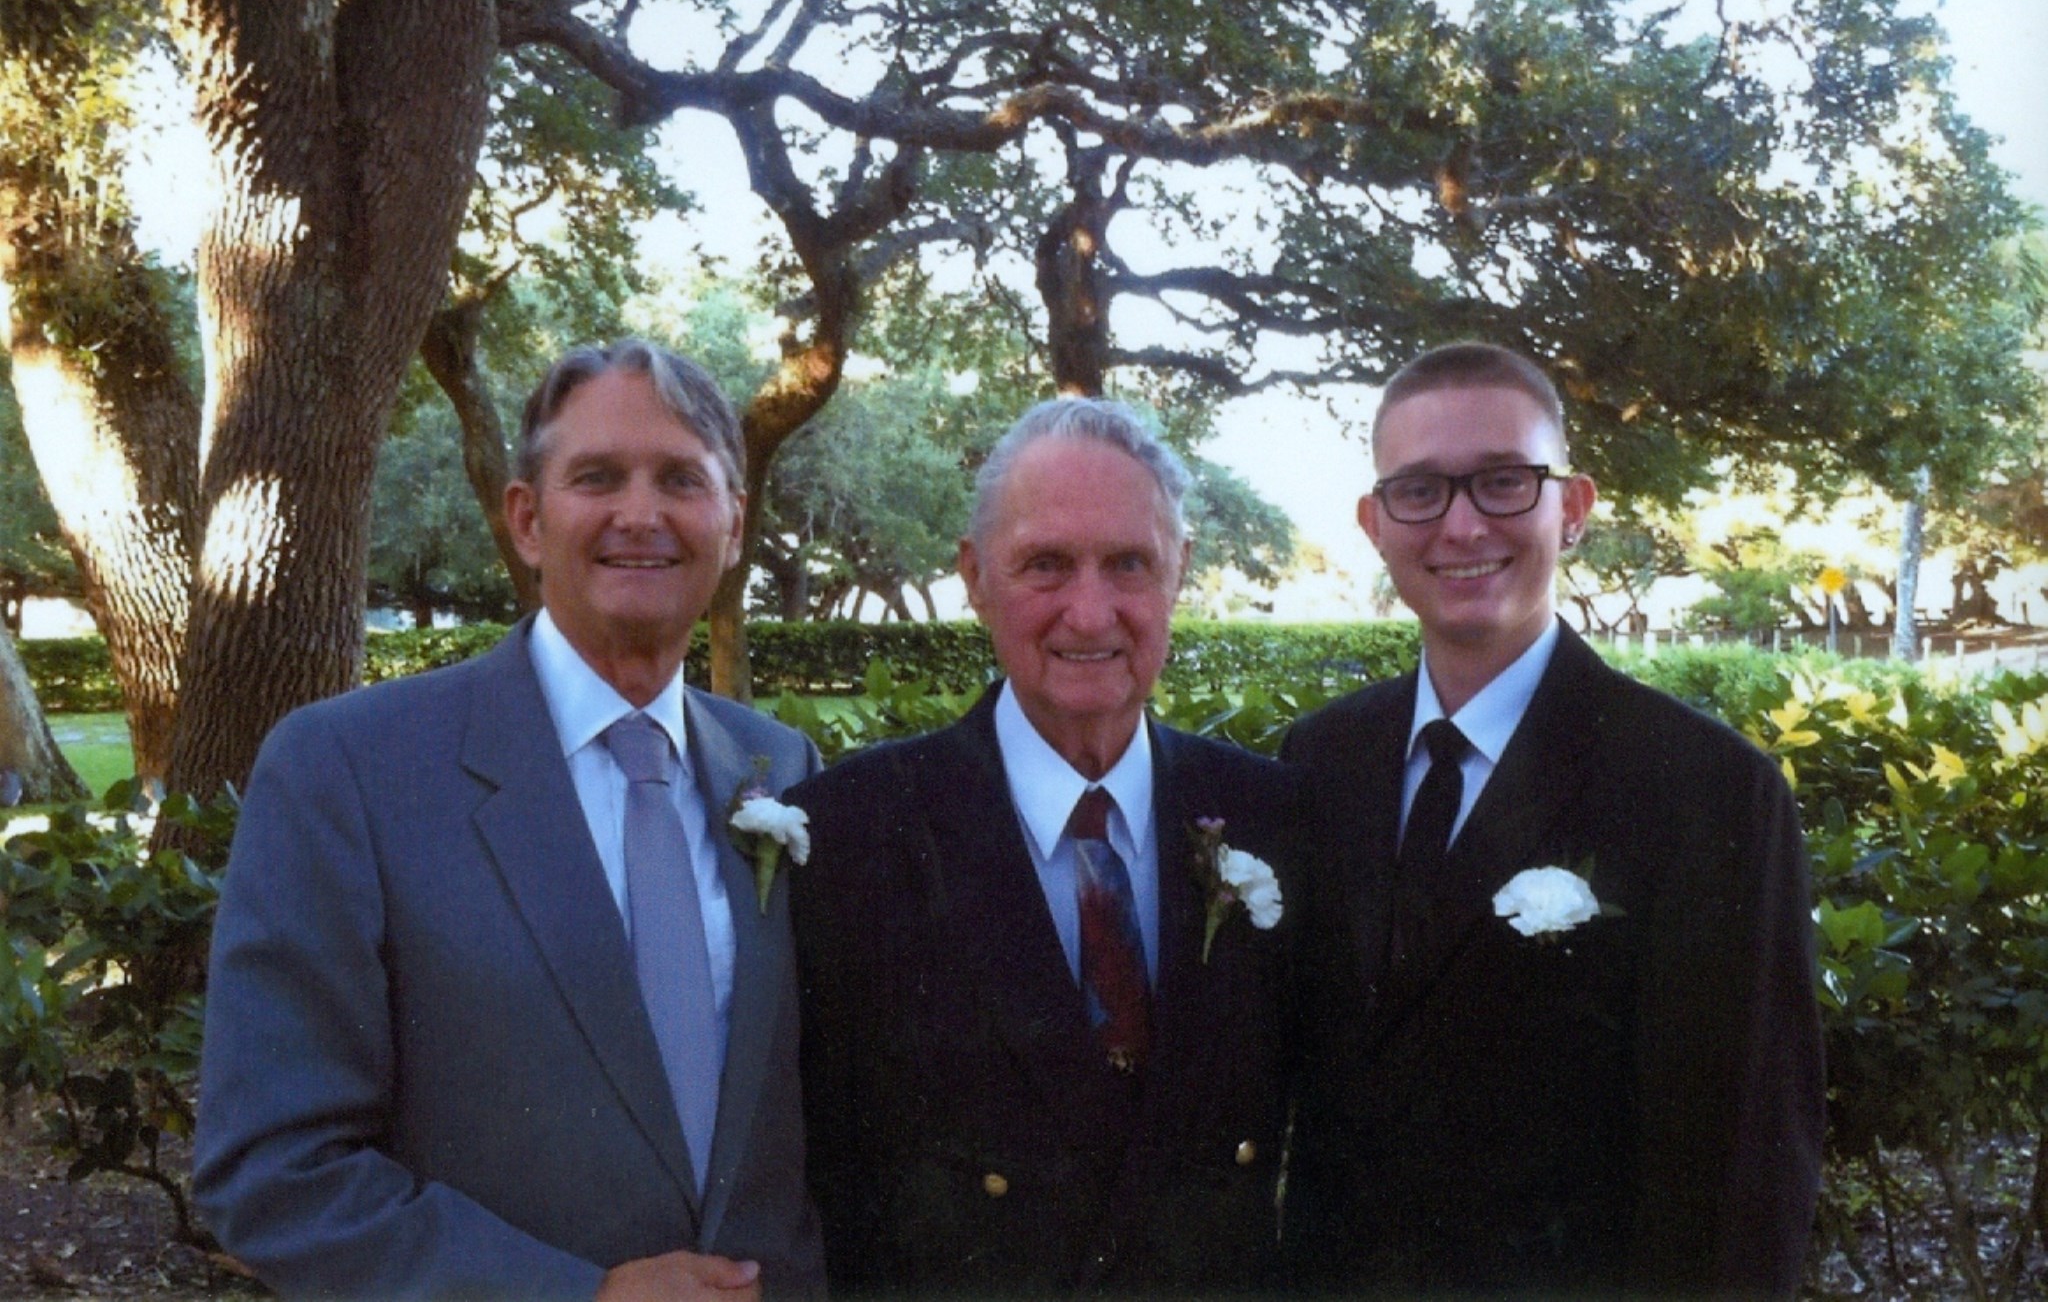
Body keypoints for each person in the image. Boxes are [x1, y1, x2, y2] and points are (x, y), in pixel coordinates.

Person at [195, 339, 825, 1299]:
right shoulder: (348, 769)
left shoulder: (781, 767)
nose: (641, 513)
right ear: (527, 519)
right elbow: (273, 1169)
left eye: (681, 479)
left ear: (733, 523)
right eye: (598, 477)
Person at [1282, 342, 1823, 1297]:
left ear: (1571, 508)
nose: (1460, 525)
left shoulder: (1707, 790)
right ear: (1374, 522)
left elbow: (1742, 1177)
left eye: (1503, 481)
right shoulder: (1320, 758)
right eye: (1419, 490)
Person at [786, 398, 1296, 1294]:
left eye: (1129, 562)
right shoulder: (850, 833)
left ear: (1180, 570)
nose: (1089, 613)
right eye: (1046, 564)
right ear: (976, 576)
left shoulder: (1273, 814)